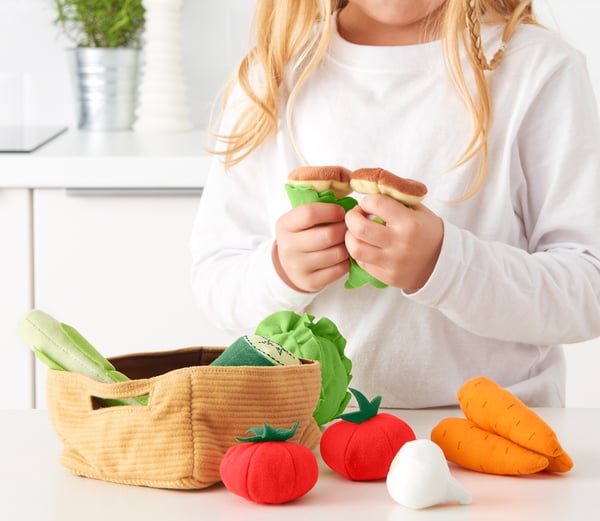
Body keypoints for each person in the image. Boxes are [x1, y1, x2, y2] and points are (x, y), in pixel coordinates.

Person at [190, 0, 600, 408]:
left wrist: (445, 265)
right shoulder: (272, 75)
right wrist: (282, 271)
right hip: (312, 442)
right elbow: (216, 281)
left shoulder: (538, 68)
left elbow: (589, 286)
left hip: (500, 437)